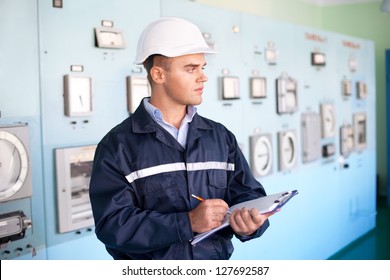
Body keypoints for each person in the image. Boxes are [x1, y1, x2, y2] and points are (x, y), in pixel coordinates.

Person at [89, 17, 275, 260]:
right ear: (158, 75)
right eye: (191, 68)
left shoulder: (220, 137)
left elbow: (248, 196)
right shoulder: (117, 146)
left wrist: (252, 224)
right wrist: (187, 222)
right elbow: (113, 226)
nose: (203, 77)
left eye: (202, 67)